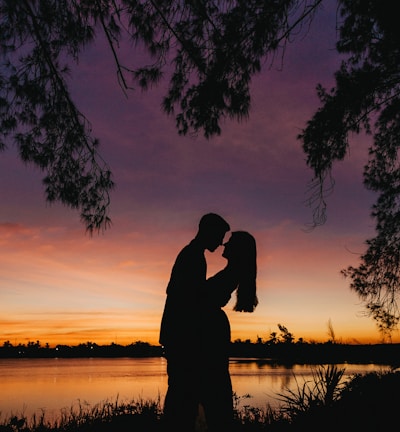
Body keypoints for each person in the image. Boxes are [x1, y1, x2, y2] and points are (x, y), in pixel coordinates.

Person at [159, 213, 230, 432]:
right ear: (208, 231)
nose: (220, 243)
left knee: (183, 397)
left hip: (181, 338)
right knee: (182, 397)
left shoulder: (193, 255)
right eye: (219, 236)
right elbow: (186, 299)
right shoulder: (192, 257)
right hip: (182, 339)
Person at [200, 231, 258, 432]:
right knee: (213, 382)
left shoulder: (232, 272)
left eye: (230, 243)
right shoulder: (233, 271)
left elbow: (204, 298)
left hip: (211, 329)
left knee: (212, 383)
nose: (224, 245)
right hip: (213, 326)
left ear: (239, 250)